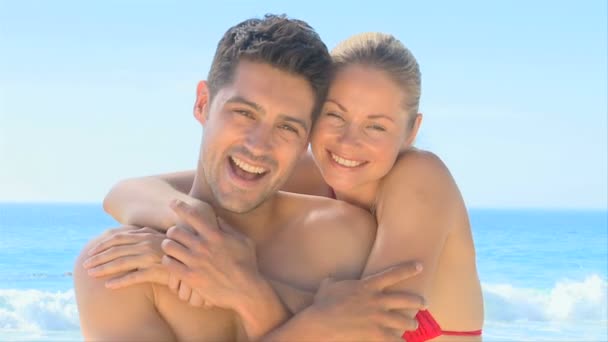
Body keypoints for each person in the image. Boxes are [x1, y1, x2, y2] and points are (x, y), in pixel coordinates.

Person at [98, 31, 485, 340]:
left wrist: (228, 279)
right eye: (335, 116)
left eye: (377, 126)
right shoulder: (316, 168)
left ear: (411, 131)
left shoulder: (420, 178)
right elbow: (127, 191)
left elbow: (373, 329)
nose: (349, 142)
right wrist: (193, 233)